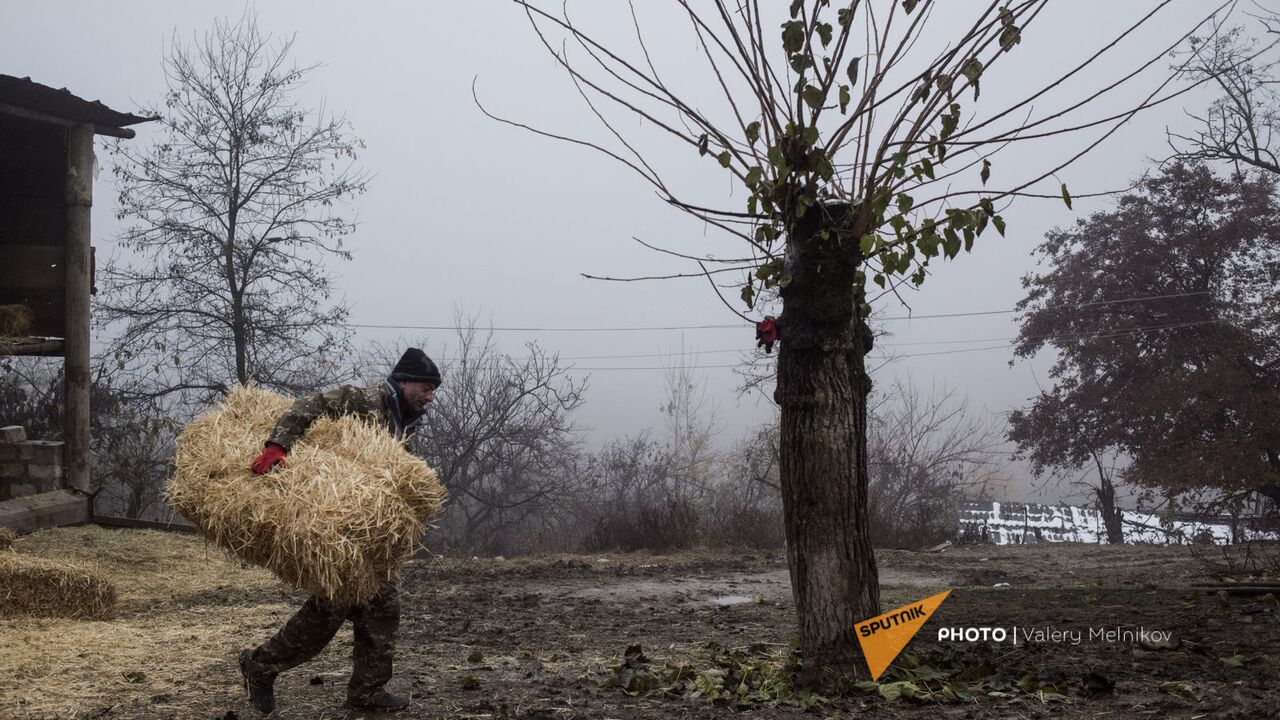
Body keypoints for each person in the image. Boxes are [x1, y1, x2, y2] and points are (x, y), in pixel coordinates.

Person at [238, 348, 441, 714]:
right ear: (403, 380)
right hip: (336, 533)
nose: (429, 397)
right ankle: (260, 666)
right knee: (327, 612)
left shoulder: (403, 424)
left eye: (433, 391)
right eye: (425, 388)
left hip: (367, 538)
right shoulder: (363, 401)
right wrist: (277, 445)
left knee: (382, 609)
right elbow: (309, 405)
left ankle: (366, 695)